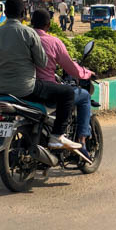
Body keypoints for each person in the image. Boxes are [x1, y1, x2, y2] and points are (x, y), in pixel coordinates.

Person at [0, 0, 81, 150]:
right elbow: (42, 62)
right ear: (24, 13)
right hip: (27, 89)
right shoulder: (28, 33)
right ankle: (57, 136)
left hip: (1, 92)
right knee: (67, 92)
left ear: (5, 12)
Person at [31, 8, 93, 159]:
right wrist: (87, 73)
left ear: (31, 23)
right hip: (46, 90)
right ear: (48, 24)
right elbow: (71, 68)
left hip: (25, 89)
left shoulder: (24, 40)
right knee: (83, 96)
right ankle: (81, 141)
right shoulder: (53, 42)